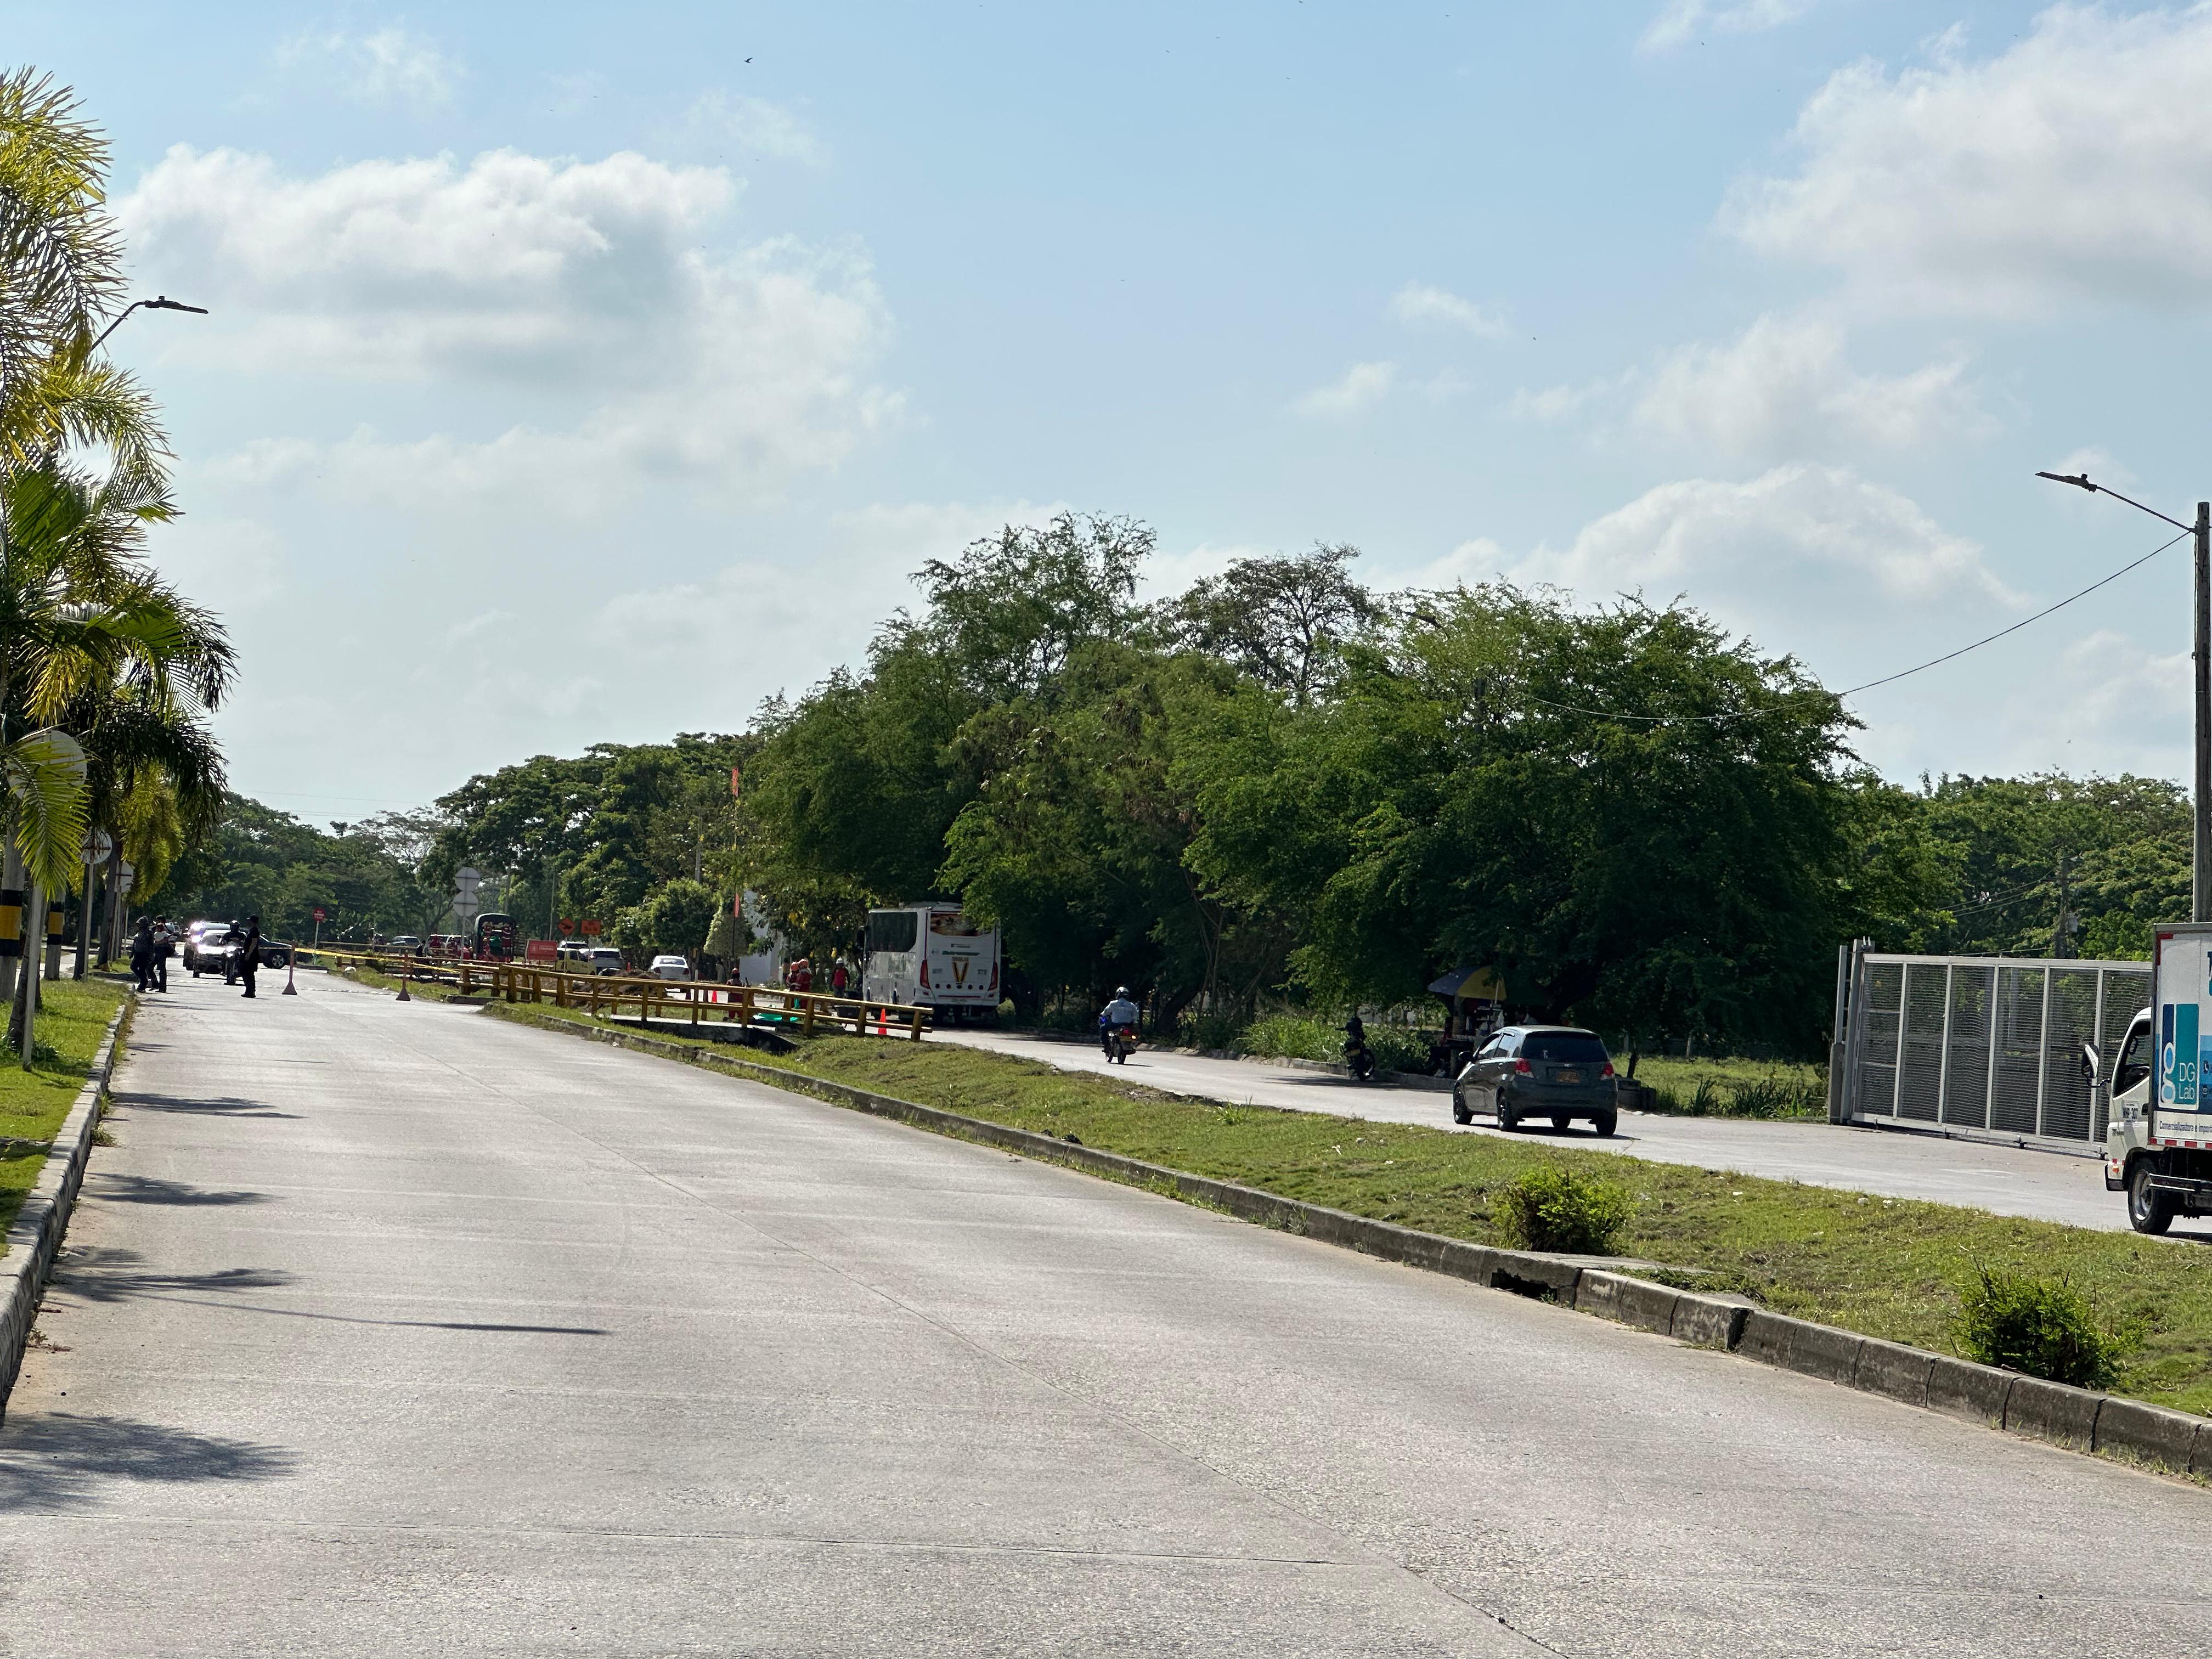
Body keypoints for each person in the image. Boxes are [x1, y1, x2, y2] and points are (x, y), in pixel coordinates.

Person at [1098, 985, 1140, 1055]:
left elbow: (1105, 1012)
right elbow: (1136, 1017)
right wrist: (1133, 1022)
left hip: (1116, 1025)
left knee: (1103, 1028)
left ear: (1118, 995)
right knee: (1134, 1034)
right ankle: (1132, 1045)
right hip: (1128, 1025)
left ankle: (1106, 1044)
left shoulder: (1113, 1004)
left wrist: (1102, 1015)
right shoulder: (1132, 1005)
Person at [238, 914, 263, 999]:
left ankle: (250, 991)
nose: (249, 922)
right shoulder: (252, 930)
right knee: (246, 972)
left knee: (247, 973)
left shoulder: (255, 931)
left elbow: (254, 943)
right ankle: (250, 990)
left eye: (250, 921)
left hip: (252, 956)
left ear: (253, 922)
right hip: (249, 954)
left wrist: (249, 954)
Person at [129, 917, 154, 992]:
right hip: (138, 953)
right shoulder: (138, 933)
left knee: (142, 969)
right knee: (133, 967)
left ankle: (143, 985)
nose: (140, 926)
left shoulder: (149, 933)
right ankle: (143, 980)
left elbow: (151, 945)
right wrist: (132, 953)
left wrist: (151, 955)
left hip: (145, 954)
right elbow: (135, 944)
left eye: (141, 924)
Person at [151, 916, 173, 993]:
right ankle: (155, 983)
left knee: (162, 970)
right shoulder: (154, 929)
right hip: (155, 951)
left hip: (162, 952)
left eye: (158, 921)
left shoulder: (166, 930)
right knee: (149, 967)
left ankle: (162, 988)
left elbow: (168, 938)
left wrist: (159, 942)